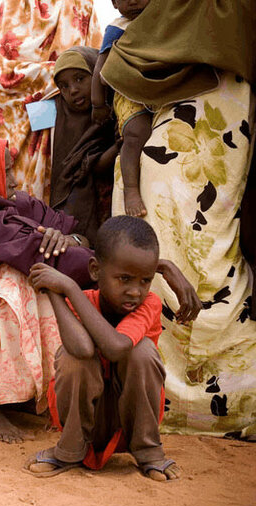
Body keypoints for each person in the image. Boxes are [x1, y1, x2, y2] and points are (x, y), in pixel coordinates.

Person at [0, 132, 201, 443]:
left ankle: (16, 397)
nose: (14, 179)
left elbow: (70, 233)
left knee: (40, 271)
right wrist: (157, 266)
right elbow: (50, 257)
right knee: (14, 278)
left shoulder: (7, 206)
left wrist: (71, 240)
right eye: (4, 170)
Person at [102, 0, 256, 437]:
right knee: (150, 252)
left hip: (223, 125)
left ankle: (220, 396)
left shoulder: (224, 13)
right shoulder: (133, 33)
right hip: (158, 165)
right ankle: (152, 390)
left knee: (209, 257)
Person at [26, 216, 181, 481]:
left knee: (141, 351)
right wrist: (54, 292)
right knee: (72, 357)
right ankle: (69, 450)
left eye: (145, 281)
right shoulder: (84, 301)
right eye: (125, 279)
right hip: (86, 422)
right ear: (95, 271)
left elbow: (116, 348)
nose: (135, 292)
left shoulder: (149, 304)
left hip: (127, 421)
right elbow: (82, 349)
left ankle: (149, 451)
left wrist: (68, 286)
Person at [0, 0, 102, 201]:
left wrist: (72, 81)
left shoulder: (81, 5)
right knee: (17, 204)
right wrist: (60, 77)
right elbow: (1, 73)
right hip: (23, 120)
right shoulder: (13, 7)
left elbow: (97, 61)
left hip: (75, 121)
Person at [50, 46, 120, 243]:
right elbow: (92, 165)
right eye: (63, 86)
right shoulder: (62, 118)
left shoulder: (117, 105)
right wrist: (117, 148)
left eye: (80, 79)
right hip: (83, 210)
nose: (72, 90)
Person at [91, 0, 151, 217]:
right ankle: (132, 190)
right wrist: (98, 104)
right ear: (114, 4)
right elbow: (101, 67)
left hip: (159, 91)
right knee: (135, 135)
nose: (133, 1)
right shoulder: (118, 28)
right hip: (128, 94)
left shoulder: (162, 18)